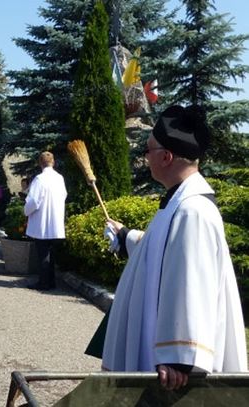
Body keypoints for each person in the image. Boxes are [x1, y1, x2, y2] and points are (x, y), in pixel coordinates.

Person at [102, 105, 247, 390]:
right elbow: (163, 253)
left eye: (148, 150)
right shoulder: (179, 203)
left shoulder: (193, 211)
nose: (145, 157)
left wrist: (179, 356)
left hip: (176, 377)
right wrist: (126, 236)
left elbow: (191, 282)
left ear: (166, 157)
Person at [24, 152, 67, 290]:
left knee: (42, 253)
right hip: (55, 221)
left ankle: (43, 283)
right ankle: (51, 281)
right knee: (51, 253)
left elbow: (34, 201)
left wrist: (25, 210)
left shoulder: (39, 179)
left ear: (40, 163)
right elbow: (64, 195)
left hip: (41, 222)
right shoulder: (59, 178)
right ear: (53, 162)